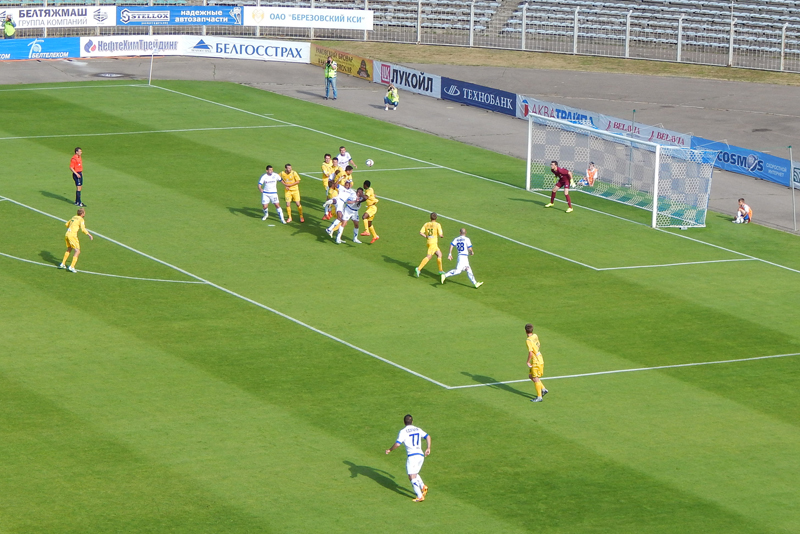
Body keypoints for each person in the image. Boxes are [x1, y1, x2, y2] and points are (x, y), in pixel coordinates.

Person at [385, 414, 431, 503]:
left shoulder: (403, 432)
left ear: (404, 422)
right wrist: (428, 448)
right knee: (415, 473)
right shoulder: (417, 429)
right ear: (412, 421)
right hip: (420, 455)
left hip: (412, 456)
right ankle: (423, 487)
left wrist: (390, 450)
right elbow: (428, 436)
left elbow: (398, 444)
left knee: (411, 476)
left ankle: (420, 496)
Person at [59, 208, 93, 273]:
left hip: (67, 234)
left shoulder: (74, 217)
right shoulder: (81, 219)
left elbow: (66, 224)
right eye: (84, 212)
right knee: (77, 251)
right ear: (82, 214)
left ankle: (63, 264)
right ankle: (72, 267)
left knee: (69, 248)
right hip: (72, 235)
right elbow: (83, 229)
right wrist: (89, 234)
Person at [415, 212, 444, 278]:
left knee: (439, 254)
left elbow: (421, 232)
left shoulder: (426, 224)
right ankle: (418, 269)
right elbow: (440, 235)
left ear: (430, 217)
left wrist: (426, 236)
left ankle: (440, 270)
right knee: (429, 256)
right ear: (436, 218)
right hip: (433, 243)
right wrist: (441, 235)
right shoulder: (437, 225)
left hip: (429, 242)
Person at [525, 323, 548, 403]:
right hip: (539, 357)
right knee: (531, 376)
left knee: (535, 378)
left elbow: (530, 353)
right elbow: (539, 345)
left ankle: (539, 397)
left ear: (525, 331)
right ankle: (543, 389)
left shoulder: (528, 340)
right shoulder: (535, 336)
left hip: (536, 361)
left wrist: (528, 362)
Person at [359, 179, 380, 244]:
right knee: (369, 224)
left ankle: (367, 231)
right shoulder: (370, 189)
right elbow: (371, 196)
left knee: (364, 217)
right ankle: (375, 236)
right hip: (371, 207)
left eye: (363, 185)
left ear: (365, 185)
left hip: (372, 208)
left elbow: (365, 197)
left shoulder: (368, 191)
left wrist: (360, 195)